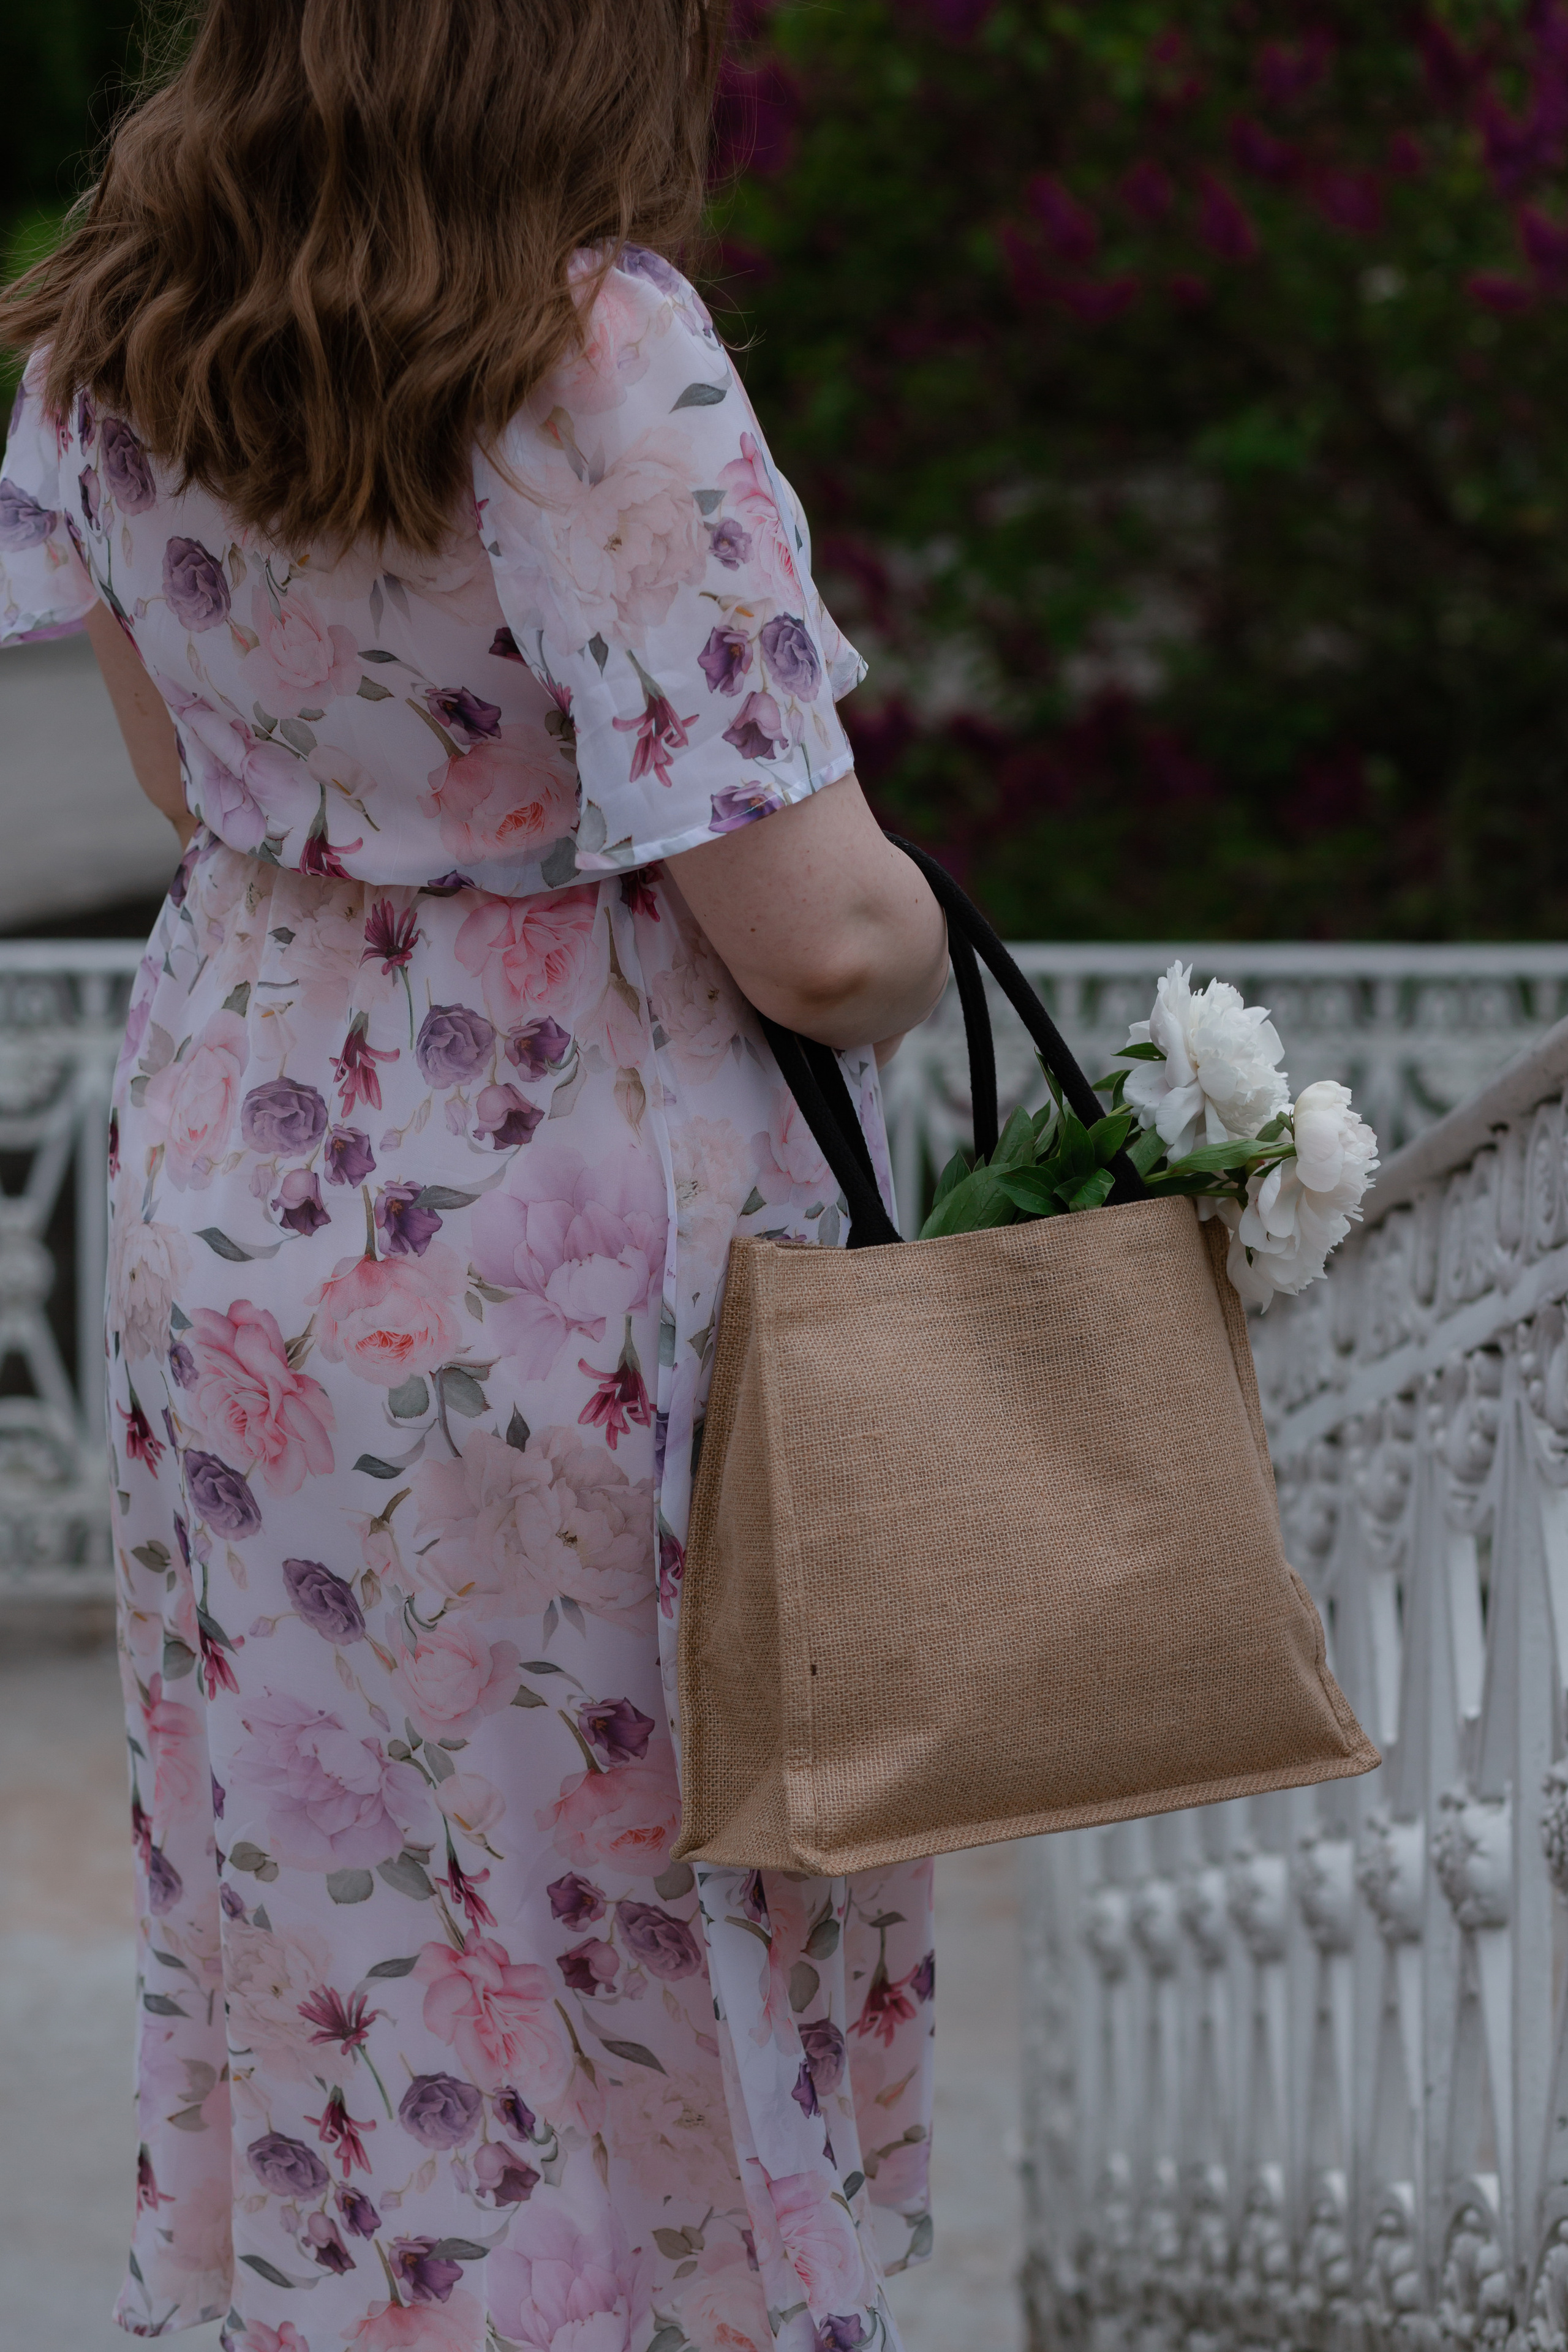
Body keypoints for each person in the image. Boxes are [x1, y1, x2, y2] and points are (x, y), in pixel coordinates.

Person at [0, 4, 948, 2346]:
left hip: (244, 1214)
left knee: (333, 1913)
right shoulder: (588, 347)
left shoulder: (110, 332)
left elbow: (191, 774)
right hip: (563, 1256)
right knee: (629, 1910)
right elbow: (818, 937)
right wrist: (936, 927)